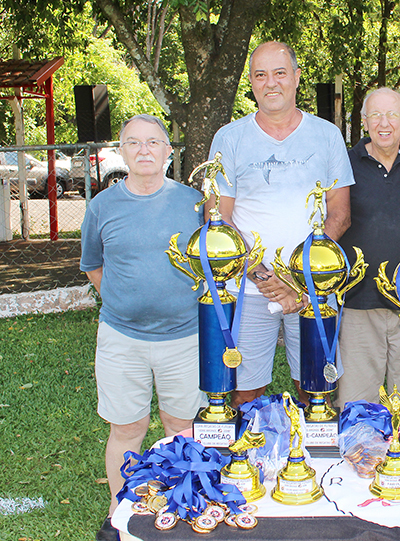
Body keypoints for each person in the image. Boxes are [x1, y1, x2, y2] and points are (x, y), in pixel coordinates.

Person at [80, 114, 207, 541]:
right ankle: (121, 513)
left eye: (153, 142)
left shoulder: (193, 203)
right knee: (127, 429)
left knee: (180, 425)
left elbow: (212, 263)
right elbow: (94, 267)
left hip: (184, 337)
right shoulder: (102, 206)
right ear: (123, 150)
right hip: (122, 338)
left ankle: (177, 505)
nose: (144, 150)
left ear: (169, 151)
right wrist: (127, 302)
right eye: (134, 142)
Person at [207, 41, 354, 408]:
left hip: (313, 289)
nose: (270, 83)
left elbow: (340, 212)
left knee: (316, 391)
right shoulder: (229, 137)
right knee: (241, 391)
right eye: (260, 75)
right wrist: (261, 275)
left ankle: (307, 465)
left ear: (296, 77)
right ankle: (245, 464)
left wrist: (298, 274)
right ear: (252, 83)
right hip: (248, 289)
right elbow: (217, 218)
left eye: (279, 73)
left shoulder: (326, 135)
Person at [336, 87, 400, 406]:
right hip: (358, 301)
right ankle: (361, 456)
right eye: (376, 115)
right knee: (356, 403)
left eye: (392, 114)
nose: (384, 122)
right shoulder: (344, 163)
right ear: (364, 121)